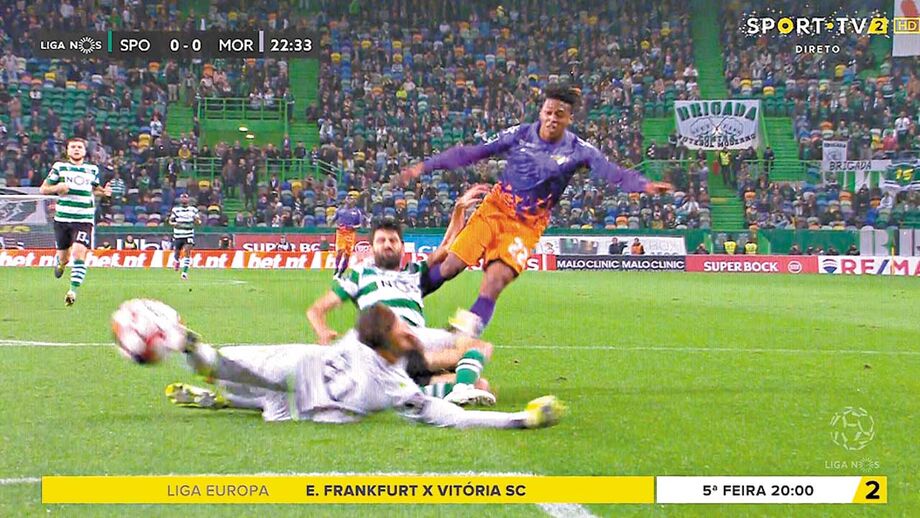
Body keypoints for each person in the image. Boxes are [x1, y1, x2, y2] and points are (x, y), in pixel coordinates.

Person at [400, 85, 670, 336]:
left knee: (495, 280)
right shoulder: (520, 134)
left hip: (526, 225)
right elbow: (472, 152)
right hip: (494, 209)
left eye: (559, 114)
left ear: (569, 119)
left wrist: (644, 185)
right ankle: (399, 301)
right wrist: (425, 166)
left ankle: (459, 337)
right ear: (541, 112)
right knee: (450, 267)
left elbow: (614, 173)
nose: (552, 118)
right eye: (548, 112)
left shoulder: (580, 151)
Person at [163, 304, 565, 429]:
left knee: (241, 386)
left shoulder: (373, 346)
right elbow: (451, 418)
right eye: (400, 327)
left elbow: (451, 412)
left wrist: (519, 419)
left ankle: (216, 393)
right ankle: (208, 380)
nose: (407, 330)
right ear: (387, 343)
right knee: (226, 374)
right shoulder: (389, 386)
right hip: (297, 380)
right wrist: (519, 420)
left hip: (296, 387)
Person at [306, 186, 495, 406]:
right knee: (474, 351)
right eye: (381, 241)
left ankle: (411, 392)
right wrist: (323, 332)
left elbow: (446, 246)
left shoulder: (414, 272)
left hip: (417, 342)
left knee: (481, 384)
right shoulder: (361, 274)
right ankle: (454, 388)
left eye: (393, 240)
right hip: (384, 344)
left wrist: (458, 210)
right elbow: (316, 309)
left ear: (402, 247)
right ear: (372, 247)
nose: (387, 244)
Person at [39, 137, 112, 306]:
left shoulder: (92, 169)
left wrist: (104, 192)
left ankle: (72, 292)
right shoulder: (59, 167)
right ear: (67, 151)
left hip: (84, 219)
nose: (76, 149)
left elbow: (93, 190)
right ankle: (61, 264)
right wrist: (57, 188)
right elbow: (43, 189)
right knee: (64, 258)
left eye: (79, 147)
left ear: (85, 151)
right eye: (73, 147)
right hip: (63, 219)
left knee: (79, 253)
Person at [168, 192, 201, 280]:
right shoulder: (176, 210)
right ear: (180, 200)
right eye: (182, 198)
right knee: (177, 252)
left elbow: (198, 221)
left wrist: (197, 221)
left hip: (188, 234)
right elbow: (170, 221)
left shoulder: (193, 210)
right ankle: (177, 261)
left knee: (187, 252)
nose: (184, 199)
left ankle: (184, 273)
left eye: (185, 197)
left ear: (188, 199)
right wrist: (174, 224)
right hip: (178, 235)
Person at [332, 194, 363, 278]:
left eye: (351, 199)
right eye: (348, 198)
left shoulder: (357, 212)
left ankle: (341, 272)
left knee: (347, 254)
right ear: (345, 200)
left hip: (350, 234)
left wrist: (353, 227)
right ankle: (336, 268)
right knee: (340, 250)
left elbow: (360, 225)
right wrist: (337, 226)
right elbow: (333, 221)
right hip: (341, 233)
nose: (350, 200)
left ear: (354, 201)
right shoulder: (340, 210)